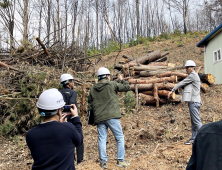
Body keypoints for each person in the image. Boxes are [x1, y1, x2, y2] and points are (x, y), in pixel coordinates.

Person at [26, 88, 83, 170]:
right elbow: (79, 140)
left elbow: (49, 148)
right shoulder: (68, 128)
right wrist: (76, 118)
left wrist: (59, 125)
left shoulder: (30, 135)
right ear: (59, 111)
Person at [88, 67, 131, 169]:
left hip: (99, 118)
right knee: (119, 138)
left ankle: (103, 162)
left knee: (102, 139)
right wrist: (121, 79)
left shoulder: (93, 89)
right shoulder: (112, 84)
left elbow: (90, 106)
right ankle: (120, 160)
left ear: (99, 77)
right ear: (107, 76)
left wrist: (92, 120)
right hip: (112, 117)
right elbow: (126, 87)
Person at [168, 60, 202, 145]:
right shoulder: (194, 75)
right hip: (194, 101)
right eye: (186, 68)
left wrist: (172, 90)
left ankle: (204, 139)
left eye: (187, 68)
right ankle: (194, 138)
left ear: (191, 68)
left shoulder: (192, 75)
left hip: (194, 102)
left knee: (197, 122)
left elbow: (182, 82)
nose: (186, 69)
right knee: (194, 122)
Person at [60, 73, 84, 164]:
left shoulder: (59, 92)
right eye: (72, 81)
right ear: (69, 83)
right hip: (72, 118)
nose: (73, 83)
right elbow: (72, 104)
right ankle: (80, 159)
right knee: (78, 137)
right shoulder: (73, 92)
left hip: (61, 118)